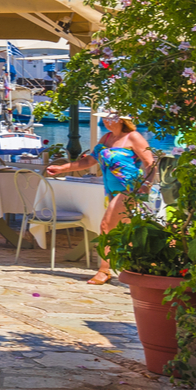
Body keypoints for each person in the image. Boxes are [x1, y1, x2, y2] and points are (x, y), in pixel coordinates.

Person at [45, 112, 156, 284]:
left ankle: (104, 270)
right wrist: (63, 168)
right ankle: (140, 269)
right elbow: (89, 161)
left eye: (109, 118)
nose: (105, 121)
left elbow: (150, 163)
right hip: (110, 190)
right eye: (104, 118)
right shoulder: (106, 138)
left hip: (129, 188)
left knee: (106, 226)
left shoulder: (133, 137)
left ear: (121, 119)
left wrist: (145, 187)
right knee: (127, 229)